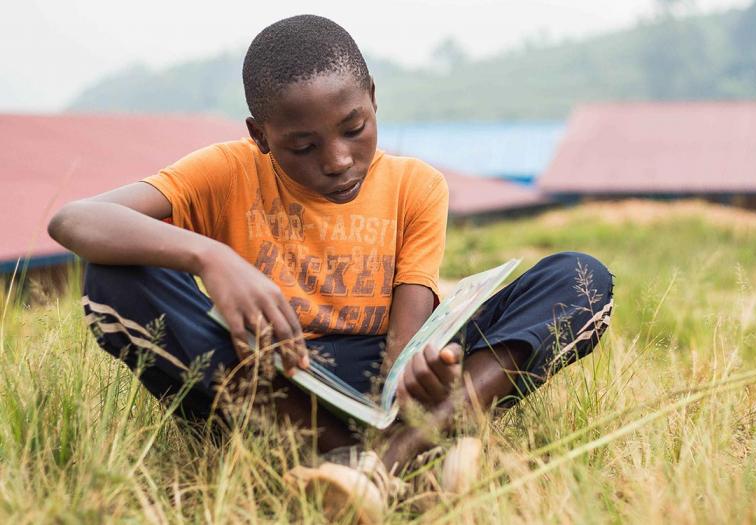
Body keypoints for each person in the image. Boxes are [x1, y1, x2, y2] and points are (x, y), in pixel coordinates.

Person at [48, 14, 613, 520]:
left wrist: (421, 375)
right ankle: (368, 453)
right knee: (113, 274)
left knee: (578, 277)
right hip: (266, 375)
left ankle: (393, 458)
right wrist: (210, 255)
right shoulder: (225, 171)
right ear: (260, 135)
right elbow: (76, 220)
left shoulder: (415, 185)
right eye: (301, 146)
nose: (338, 160)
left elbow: (404, 346)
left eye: (353, 128)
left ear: (372, 98)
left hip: (380, 370)